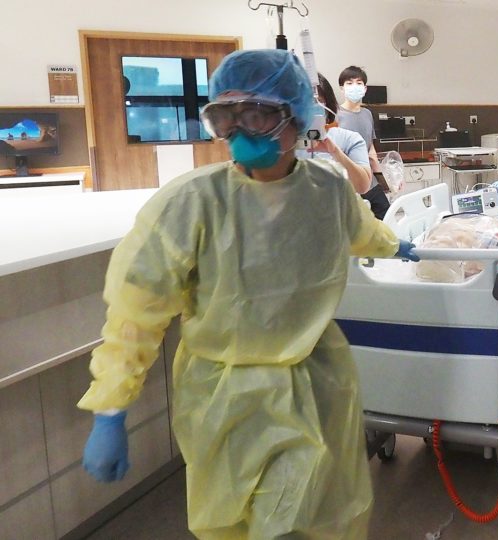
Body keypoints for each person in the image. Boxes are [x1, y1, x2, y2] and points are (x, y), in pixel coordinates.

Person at [77, 49, 419, 539]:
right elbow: (137, 311)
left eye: (256, 115)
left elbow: (360, 230)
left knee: (303, 520)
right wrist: (112, 407)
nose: (240, 132)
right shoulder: (191, 204)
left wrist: (398, 244)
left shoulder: (327, 190)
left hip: (315, 387)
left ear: (296, 118)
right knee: (233, 525)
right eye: (225, 118)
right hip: (223, 399)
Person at [298, 72, 372, 194]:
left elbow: (362, 186)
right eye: (301, 102)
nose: (309, 107)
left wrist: (335, 152)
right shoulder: (283, 142)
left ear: (327, 106)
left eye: (317, 101)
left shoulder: (350, 139)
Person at [338, 65, 390, 219]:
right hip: (348, 187)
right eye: (349, 83)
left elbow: (370, 148)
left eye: (359, 83)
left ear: (365, 88)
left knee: (388, 219)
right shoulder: (335, 115)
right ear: (342, 88)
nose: (354, 86)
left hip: (371, 183)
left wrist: (384, 178)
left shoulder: (367, 114)